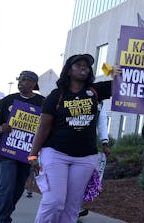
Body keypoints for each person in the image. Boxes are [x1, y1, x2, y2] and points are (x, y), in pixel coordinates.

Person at [29, 54, 116, 223]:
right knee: (54, 201)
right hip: (56, 154)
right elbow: (43, 127)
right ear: (69, 70)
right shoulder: (56, 95)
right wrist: (33, 154)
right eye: (79, 65)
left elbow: (127, 86)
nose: (84, 67)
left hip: (86, 157)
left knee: (72, 206)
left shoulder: (95, 91)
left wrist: (119, 73)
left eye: (87, 65)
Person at [0, 71, 45, 223]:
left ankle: (7, 211)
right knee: (6, 186)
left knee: (18, 187)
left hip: (29, 152)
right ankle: (3, 218)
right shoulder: (8, 100)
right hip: (8, 151)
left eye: (24, 80)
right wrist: (2, 128)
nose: (20, 82)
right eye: (19, 80)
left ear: (33, 83)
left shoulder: (43, 102)